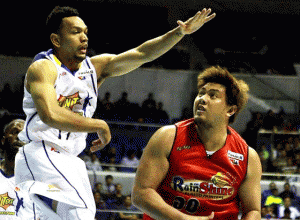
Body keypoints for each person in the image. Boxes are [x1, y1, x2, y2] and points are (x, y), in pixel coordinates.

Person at [14, 5, 216, 220]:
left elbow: (141, 54)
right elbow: (50, 115)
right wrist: (100, 125)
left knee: (69, 215)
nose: (84, 38)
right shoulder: (44, 67)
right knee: (80, 211)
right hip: (42, 151)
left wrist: (180, 32)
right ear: (56, 40)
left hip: (70, 158)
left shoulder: (94, 68)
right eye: (75, 32)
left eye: (85, 32)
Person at [132, 66, 262, 220]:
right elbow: (141, 194)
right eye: (201, 93)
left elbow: (253, 211)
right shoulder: (167, 138)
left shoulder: (247, 157)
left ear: (230, 110)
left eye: (213, 96)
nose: (202, 99)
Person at [0, 119, 40, 219]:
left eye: (24, 135)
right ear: (3, 140)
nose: (19, 137)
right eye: (15, 132)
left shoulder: (40, 178)